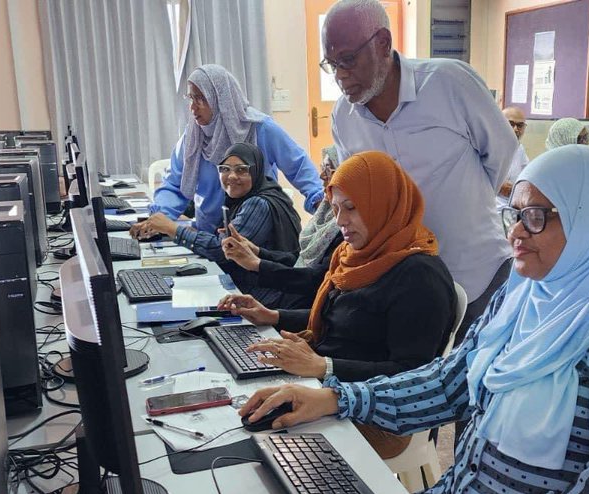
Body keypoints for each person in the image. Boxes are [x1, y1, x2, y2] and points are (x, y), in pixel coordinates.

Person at [240, 146, 589, 494]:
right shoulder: (529, 294)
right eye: (514, 214)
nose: (515, 233)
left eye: (536, 218)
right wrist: (336, 397)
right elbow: (451, 380)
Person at [219, 151, 456, 458]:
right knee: (240, 406)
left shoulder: (419, 276)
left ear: (382, 205)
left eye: (352, 208)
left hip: (378, 415)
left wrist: (324, 366)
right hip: (326, 384)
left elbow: (411, 373)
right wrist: (272, 316)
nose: (341, 221)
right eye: (335, 209)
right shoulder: (354, 254)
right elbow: (336, 320)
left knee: (259, 445)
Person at [323, 0, 515, 339]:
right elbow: (362, 199)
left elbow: (502, 155)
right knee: (418, 384)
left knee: (477, 382)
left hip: (476, 271)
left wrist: (465, 205)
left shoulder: (449, 83)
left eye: (348, 60)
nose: (340, 75)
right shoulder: (343, 118)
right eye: (331, 64)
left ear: (383, 42)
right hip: (405, 288)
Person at [135, 64, 323, 239]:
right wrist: (159, 218)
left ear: (220, 99)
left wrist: (321, 203)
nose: (193, 107)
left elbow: (298, 166)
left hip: (254, 236)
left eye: (201, 98)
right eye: (191, 98)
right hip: (208, 237)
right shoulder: (193, 135)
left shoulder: (259, 128)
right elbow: (176, 184)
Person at [137, 142, 301, 308]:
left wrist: (173, 229)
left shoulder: (257, 204)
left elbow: (221, 251)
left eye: (241, 169)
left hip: (262, 294)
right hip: (248, 286)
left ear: (255, 171)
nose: (231, 176)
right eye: (225, 169)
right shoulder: (244, 198)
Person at [221, 146, 345, 309]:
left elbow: (316, 278)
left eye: (328, 169)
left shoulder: (344, 226)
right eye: (322, 168)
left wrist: (257, 264)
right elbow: (299, 258)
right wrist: (256, 251)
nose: (321, 175)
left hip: (306, 303)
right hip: (295, 295)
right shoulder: (325, 213)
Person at [496, 107, 530, 205]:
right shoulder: (487, 147)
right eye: (510, 124)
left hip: (512, 208)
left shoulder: (519, 149)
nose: (515, 129)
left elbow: (526, 175)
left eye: (520, 125)